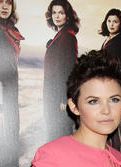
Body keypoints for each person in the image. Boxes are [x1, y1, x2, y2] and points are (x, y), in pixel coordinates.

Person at [43, 0, 79, 142]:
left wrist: (64, 98)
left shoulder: (68, 37)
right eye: (54, 12)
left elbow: (69, 69)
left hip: (59, 98)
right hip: (54, 95)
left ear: (68, 16)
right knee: (55, 136)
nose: (57, 16)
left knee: (59, 137)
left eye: (61, 13)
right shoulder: (61, 35)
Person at [0, 0, 24, 167]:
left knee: (11, 122)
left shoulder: (9, 28)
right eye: (0, 2)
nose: (5, 6)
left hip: (10, 83)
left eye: (8, 2)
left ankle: (8, 163)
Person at [99, 8, 121, 151]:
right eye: (109, 21)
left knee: (112, 126)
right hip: (103, 89)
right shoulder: (107, 40)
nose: (111, 24)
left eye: (115, 22)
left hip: (112, 90)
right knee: (105, 125)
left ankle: (116, 158)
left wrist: (112, 80)